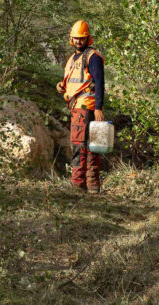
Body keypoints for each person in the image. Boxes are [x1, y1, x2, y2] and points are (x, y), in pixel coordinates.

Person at [56, 20, 105, 194]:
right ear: (71, 38)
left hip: (86, 107)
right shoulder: (73, 59)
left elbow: (99, 82)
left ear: (87, 38)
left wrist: (98, 107)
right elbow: (72, 81)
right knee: (92, 146)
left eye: (81, 38)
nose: (78, 41)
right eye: (76, 38)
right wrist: (61, 87)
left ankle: (78, 185)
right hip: (77, 105)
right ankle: (92, 186)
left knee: (79, 145)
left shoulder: (92, 56)